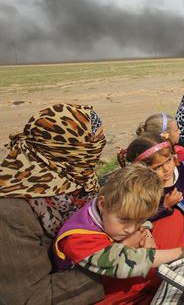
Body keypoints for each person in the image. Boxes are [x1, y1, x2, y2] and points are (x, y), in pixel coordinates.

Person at [0, 103, 106, 304]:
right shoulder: (11, 212)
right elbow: (30, 297)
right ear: (67, 148)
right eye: (94, 141)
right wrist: (113, 266)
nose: (100, 146)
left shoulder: (78, 178)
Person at [54, 164, 184, 304]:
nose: (130, 229)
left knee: (175, 216)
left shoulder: (110, 209)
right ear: (102, 204)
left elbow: (141, 220)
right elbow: (123, 262)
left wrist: (146, 232)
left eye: (138, 220)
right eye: (125, 220)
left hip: (118, 270)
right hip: (97, 291)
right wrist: (183, 252)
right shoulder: (77, 238)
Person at [122, 133, 184, 239]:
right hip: (179, 232)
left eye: (169, 160)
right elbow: (143, 217)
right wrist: (166, 205)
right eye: (157, 167)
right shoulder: (145, 189)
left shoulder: (183, 168)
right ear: (142, 170)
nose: (166, 169)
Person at [135, 112, 184, 178]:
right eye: (176, 130)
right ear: (165, 135)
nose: (180, 132)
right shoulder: (169, 157)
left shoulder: (176, 145)